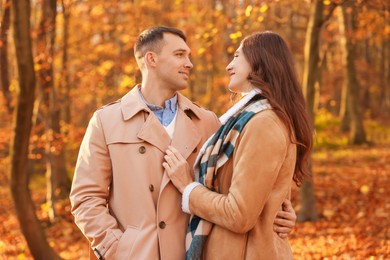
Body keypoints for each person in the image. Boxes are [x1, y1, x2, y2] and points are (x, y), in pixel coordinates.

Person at [69, 26, 297, 260]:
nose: (189, 63)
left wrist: (276, 213)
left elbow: (239, 190)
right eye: (179, 55)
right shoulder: (106, 121)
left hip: (193, 252)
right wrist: (117, 249)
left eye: (189, 56)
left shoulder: (208, 122)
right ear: (151, 59)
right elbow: (86, 198)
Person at [163, 30, 313, 260]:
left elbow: (239, 214)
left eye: (236, 56)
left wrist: (188, 188)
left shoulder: (264, 123)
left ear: (258, 60)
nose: (228, 66)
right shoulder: (245, 121)